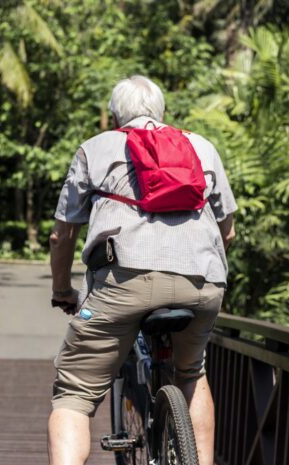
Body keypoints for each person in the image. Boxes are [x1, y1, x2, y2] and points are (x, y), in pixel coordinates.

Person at [47, 75, 236, 465]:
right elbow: (228, 231)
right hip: (203, 282)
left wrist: (63, 289)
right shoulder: (202, 147)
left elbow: (62, 235)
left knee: (75, 393)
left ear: (116, 116)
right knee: (191, 373)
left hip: (124, 282)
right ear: (163, 112)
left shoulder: (96, 148)